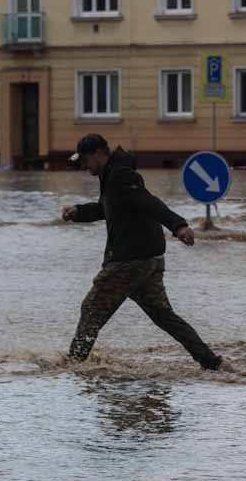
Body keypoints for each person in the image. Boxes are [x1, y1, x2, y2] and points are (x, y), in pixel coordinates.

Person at [62, 134, 224, 371]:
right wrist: (78, 212)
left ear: (98, 154)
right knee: (164, 316)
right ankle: (211, 362)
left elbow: (149, 202)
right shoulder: (113, 174)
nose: (85, 168)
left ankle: (74, 364)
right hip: (148, 259)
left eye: (86, 161)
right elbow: (106, 208)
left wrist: (178, 226)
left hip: (130, 261)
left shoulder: (120, 175)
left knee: (91, 309)